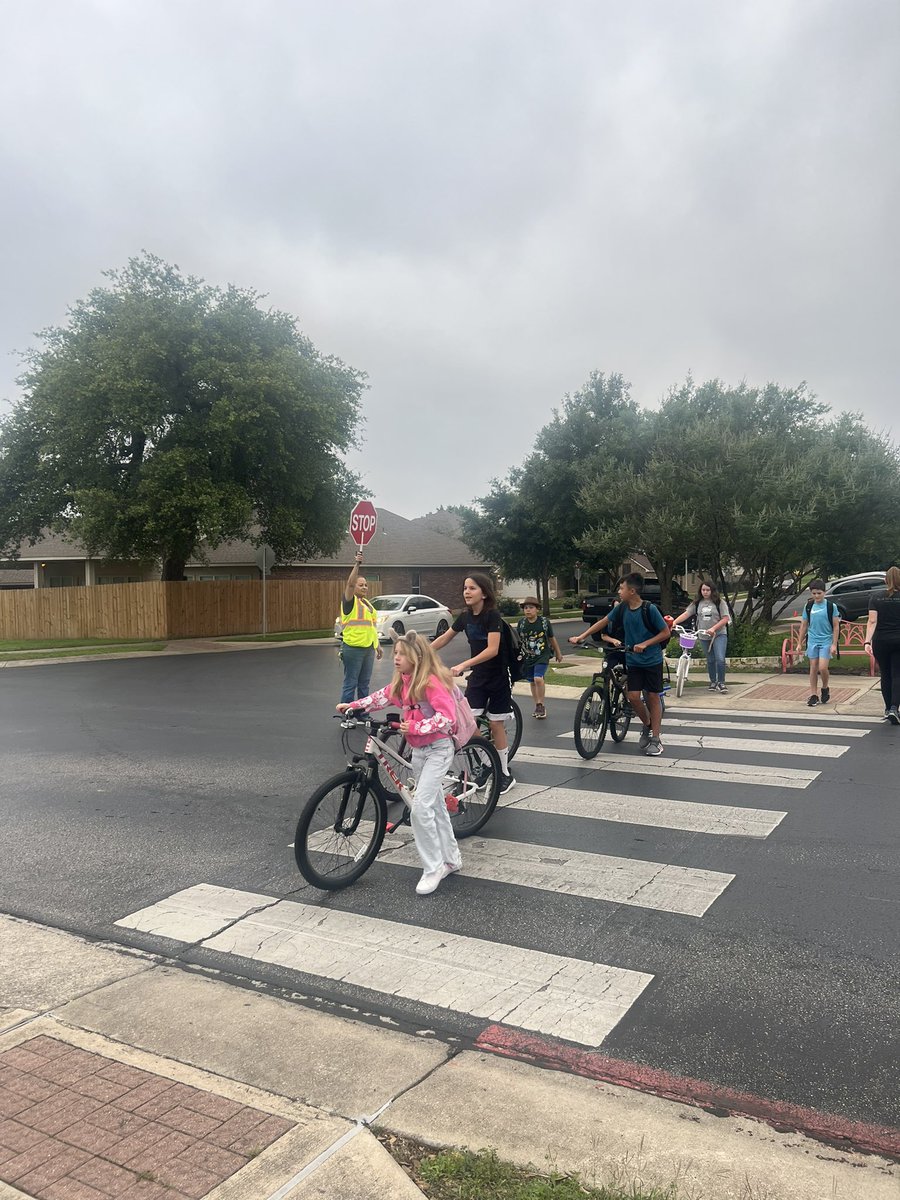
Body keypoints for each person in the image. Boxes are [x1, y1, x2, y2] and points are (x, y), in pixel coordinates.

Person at [337, 630, 462, 895]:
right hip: (419, 752)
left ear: (416, 657)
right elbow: (380, 697)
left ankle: (433, 868)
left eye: (402, 654)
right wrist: (354, 705)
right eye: (395, 653)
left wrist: (417, 727)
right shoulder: (402, 683)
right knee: (435, 805)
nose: (396, 658)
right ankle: (452, 859)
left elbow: (447, 717)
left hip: (439, 749)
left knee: (420, 809)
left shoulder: (430, 682)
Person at [431, 573, 516, 793]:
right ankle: (488, 764)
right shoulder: (465, 617)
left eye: (472, 588)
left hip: (498, 675)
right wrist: (423, 652)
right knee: (468, 722)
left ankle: (504, 774)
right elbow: (445, 637)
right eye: (465, 588)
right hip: (479, 677)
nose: (466, 592)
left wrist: (463, 665)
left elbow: (492, 649)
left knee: (496, 723)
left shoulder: (492, 616)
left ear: (484, 593)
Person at [614, 573, 670, 755]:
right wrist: (581, 637)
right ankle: (647, 725)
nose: (619, 591)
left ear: (632, 591)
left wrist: (645, 644)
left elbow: (665, 633)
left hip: (652, 660)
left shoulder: (649, 609)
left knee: (653, 697)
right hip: (634, 661)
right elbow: (605, 622)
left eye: (621, 588)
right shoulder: (622, 608)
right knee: (634, 697)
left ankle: (656, 739)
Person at [338, 550, 382, 703]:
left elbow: (371, 628)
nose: (364, 587)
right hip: (353, 648)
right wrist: (357, 563)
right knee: (351, 683)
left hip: (368, 648)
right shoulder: (349, 602)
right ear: (354, 587)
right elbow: (349, 584)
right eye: (361, 585)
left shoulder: (368, 604)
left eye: (366, 585)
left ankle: (362, 713)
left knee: (364, 684)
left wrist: (378, 646)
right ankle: (347, 714)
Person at [672, 581, 732, 693]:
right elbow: (687, 614)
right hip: (703, 635)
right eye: (703, 590)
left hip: (718, 635)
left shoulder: (720, 603)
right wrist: (674, 622)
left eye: (707, 590)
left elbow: (725, 618)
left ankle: (721, 683)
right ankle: (713, 682)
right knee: (710, 660)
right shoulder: (697, 603)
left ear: (712, 591)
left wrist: (713, 629)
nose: (705, 592)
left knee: (720, 659)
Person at [864, 565, 900, 724]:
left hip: (880, 640)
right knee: (897, 674)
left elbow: (872, 621)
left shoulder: (876, 597)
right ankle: (894, 708)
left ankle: (887, 708)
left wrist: (867, 641)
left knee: (885, 674)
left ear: (886, 580)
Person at [518, 598, 563, 718]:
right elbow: (518, 640)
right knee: (532, 681)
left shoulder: (544, 622)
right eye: (526, 608)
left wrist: (558, 653)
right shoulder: (521, 623)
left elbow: (551, 638)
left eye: (531, 607)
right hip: (528, 656)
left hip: (542, 655)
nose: (528, 610)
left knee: (538, 678)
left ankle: (541, 704)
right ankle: (537, 705)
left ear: (537, 609)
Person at [797, 578, 840, 706]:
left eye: (819, 593)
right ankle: (813, 695)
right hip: (812, 640)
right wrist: (799, 642)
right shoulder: (809, 606)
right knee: (813, 667)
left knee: (823, 667)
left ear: (824, 592)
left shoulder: (831, 607)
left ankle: (825, 687)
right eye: (814, 593)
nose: (816, 596)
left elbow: (836, 626)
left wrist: (834, 644)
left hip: (826, 640)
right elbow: (804, 625)